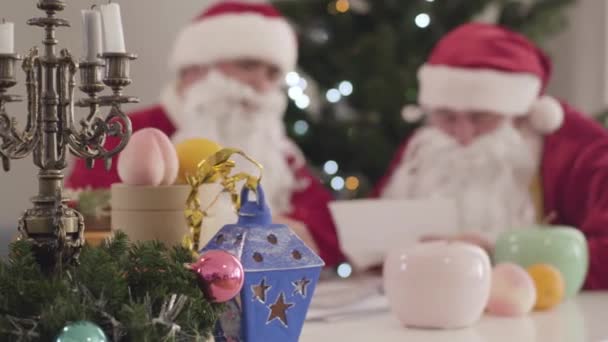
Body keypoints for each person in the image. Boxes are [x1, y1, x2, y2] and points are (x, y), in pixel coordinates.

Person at [66, 1, 344, 267]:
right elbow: (81, 216)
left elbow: (331, 229)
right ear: (192, 70)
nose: (260, 84)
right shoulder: (127, 132)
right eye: (247, 65)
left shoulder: (274, 147)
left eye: (272, 74)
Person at [373, 23, 608, 289]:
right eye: (447, 116)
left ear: (518, 111)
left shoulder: (581, 149)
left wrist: (502, 254)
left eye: (481, 117)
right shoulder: (425, 146)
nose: (464, 135)